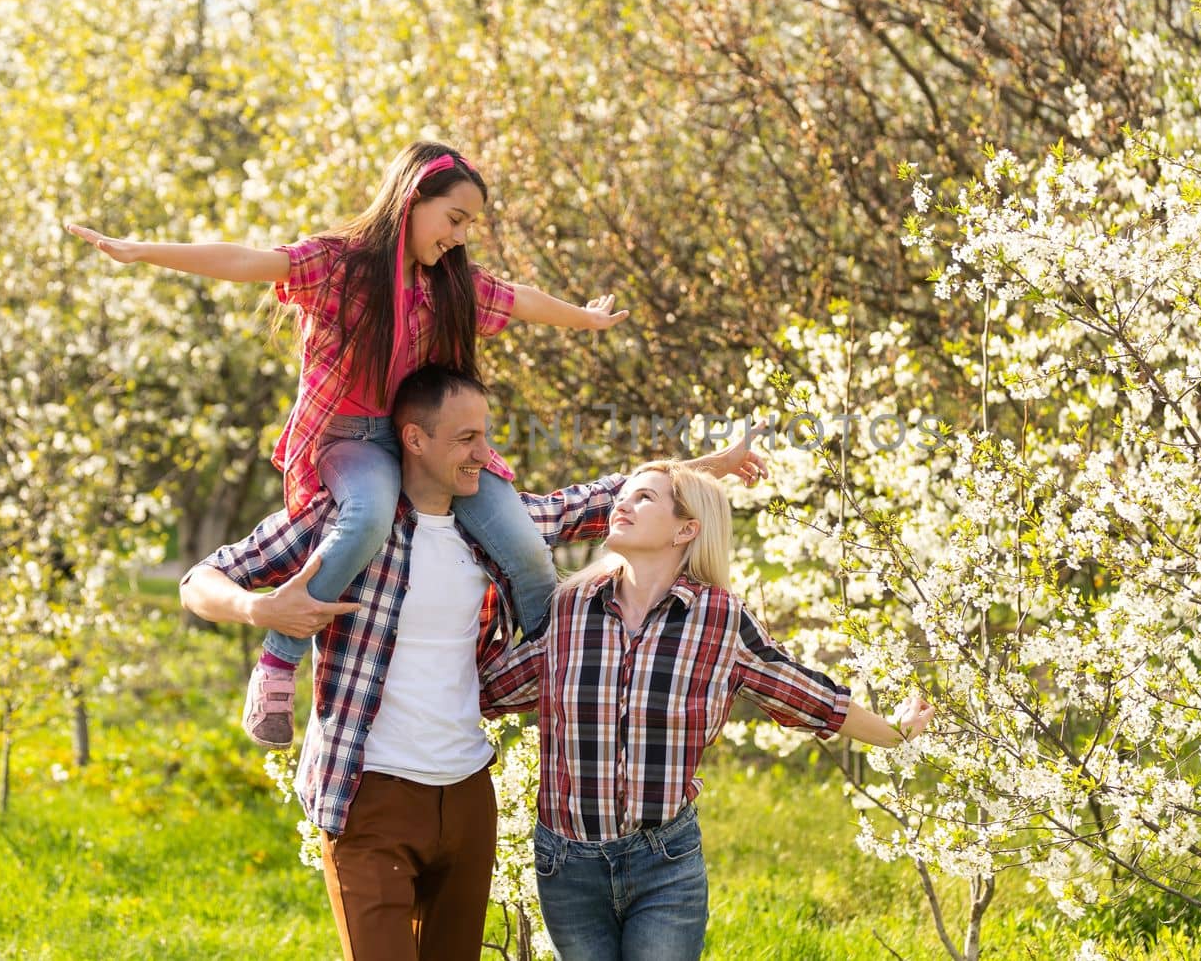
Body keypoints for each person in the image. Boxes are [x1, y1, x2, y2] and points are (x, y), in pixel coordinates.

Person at [178, 367, 765, 961]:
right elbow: (198, 581)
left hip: (465, 797)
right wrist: (260, 609)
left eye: (486, 436)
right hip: (368, 796)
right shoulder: (341, 525)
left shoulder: (495, 531)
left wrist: (716, 463)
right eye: (466, 440)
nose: (486, 456)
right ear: (414, 439)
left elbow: (610, 497)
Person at [67, 141, 628, 749]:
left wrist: (586, 318)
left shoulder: (453, 284)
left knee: (524, 543)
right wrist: (143, 252)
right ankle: (280, 658)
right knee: (367, 514)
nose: (460, 237)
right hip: (351, 439)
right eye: (455, 220)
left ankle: (563, 672)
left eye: (469, 226)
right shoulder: (340, 266)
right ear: (413, 200)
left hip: (423, 442)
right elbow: (249, 261)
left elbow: (521, 300)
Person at [479, 461, 935, 961]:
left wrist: (896, 733)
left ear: (686, 529)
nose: (623, 505)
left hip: (663, 863)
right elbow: (491, 690)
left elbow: (810, 697)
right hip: (566, 865)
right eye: (623, 497)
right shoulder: (571, 608)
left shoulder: (719, 619)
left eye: (645, 498)